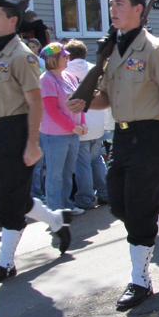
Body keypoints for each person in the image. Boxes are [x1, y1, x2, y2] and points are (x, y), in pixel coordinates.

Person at [66, 0, 159, 310]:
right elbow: (106, 97)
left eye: (120, 4)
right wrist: (85, 101)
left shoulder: (155, 50)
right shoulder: (113, 51)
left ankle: (140, 280)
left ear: (139, 9)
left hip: (150, 136)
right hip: (121, 138)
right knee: (120, 205)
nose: (113, 9)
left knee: (136, 209)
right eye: (111, 4)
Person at [0, 0, 73, 285]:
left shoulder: (22, 56)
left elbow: (35, 102)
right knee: (6, 193)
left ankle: (5, 261)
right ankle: (55, 220)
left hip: (19, 129)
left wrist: (32, 143)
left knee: (9, 199)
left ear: (12, 21)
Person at [39, 43, 87, 215]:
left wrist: (82, 123)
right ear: (53, 59)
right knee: (55, 174)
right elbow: (52, 110)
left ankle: (66, 204)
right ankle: (54, 210)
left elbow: (78, 101)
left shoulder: (69, 76)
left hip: (72, 132)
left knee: (68, 173)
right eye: (64, 56)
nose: (67, 57)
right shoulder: (46, 79)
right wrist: (73, 127)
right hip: (55, 135)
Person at [64, 39, 109, 209]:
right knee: (96, 159)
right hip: (98, 122)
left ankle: (85, 198)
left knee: (82, 164)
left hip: (80, 123)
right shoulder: (93, 69)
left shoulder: (65, 72)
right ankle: (105, 193)